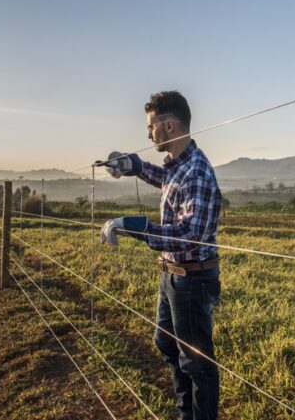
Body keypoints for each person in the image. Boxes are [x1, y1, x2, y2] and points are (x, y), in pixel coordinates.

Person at [99, 91, 222, 420]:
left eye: (150, 126)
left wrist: (137, 227)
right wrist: (135, 167)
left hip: (192, 278)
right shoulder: (179, 166)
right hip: (172, 274)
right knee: (166, 344)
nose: (148, 134)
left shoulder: (197, 171)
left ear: (168, 126)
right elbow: (168, 180)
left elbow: (190, 234)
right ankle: (186, 414)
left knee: (197, 363)